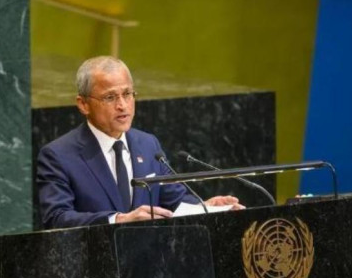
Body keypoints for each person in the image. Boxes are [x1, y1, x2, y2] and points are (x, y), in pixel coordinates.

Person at [37, 56, 243, 229]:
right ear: (83, 104)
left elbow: (174, 200)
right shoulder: (58, 155)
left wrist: (205, 207)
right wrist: (118, 220)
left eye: (127, 94)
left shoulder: (148, 144)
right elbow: (56, 218)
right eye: (110, 97)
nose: (122, 105)